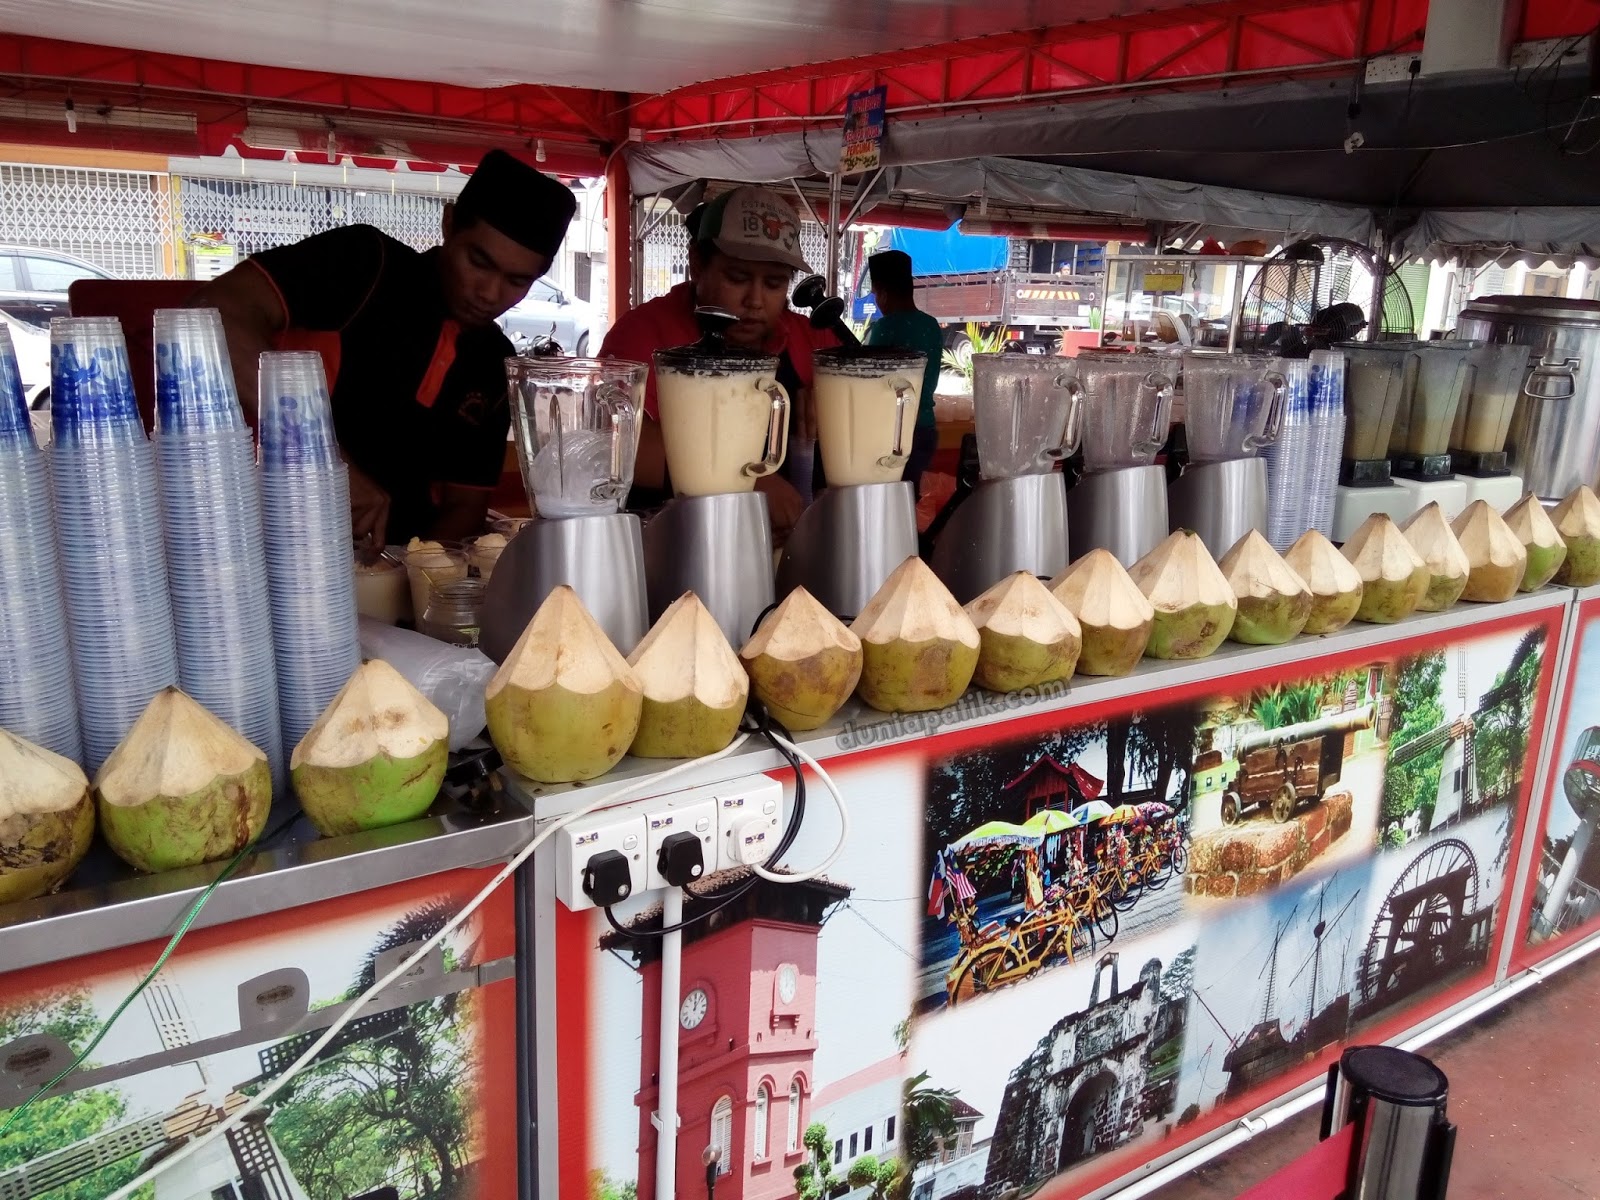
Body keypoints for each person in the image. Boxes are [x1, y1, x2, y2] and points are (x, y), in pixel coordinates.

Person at [193, 149, 577, 550]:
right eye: (479, 262)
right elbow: (212, 316)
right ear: (448, 224)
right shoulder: (363, 265)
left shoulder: (491, 361)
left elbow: (464, 506)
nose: (490, 293)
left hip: (396, 569)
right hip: (268, 544)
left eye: (517, 281)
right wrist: (324, 462)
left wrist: (416, 571)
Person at [599, 185, 837, 545]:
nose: (755, 300)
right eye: (737, 278)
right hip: (674, 545)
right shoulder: (643, 333)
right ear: (697, 264)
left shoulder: (808, 339)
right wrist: (747, 481)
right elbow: (611, 443)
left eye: (774, 284)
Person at [863, 249, 945, 498]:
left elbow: (869, 381)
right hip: (925, 429)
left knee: (887, 499)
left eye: (875, 294)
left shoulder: (884, 327)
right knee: (909, 497)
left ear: (884, 293)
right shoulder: (931, 325)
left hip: (893, 432)